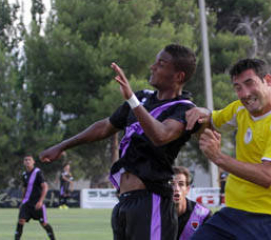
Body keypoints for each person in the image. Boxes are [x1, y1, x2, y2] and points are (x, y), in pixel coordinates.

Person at [39, 44, 198, 240]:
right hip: (125, 201)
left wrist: (131, 100)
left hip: (152, 201)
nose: (153, 67)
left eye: (161, 64)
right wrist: (62, 145)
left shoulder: (184, 109)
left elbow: (161, 135)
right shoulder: (143, 98)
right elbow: (105, 126)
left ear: (178, 76)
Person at [186, 58, 271, 240]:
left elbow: (268, 176)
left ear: (268, 80)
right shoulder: (239, 110)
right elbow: (209, 120)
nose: (244, 93)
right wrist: (198, 114)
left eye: (249, 83)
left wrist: (218, 157)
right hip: (233, 213)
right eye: (238, 87)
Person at [14, 155, 56, 240]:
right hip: (27, 203)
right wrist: (22, 201)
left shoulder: (37, 172)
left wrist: (40, 201)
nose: (27, 161)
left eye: (29, 160)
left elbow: (45, 187)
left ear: (33, 162)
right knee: (21, 221)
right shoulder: (24, 174)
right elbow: (25, 188)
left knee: (44, 223)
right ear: (23, 162)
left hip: (37, 203)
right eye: (25, 160)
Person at [171, 166, 212, 240]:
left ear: (187, 189)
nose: (176, 189)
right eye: (172, 184)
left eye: (181, 184)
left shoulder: (203, 216)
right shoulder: (156, 213)